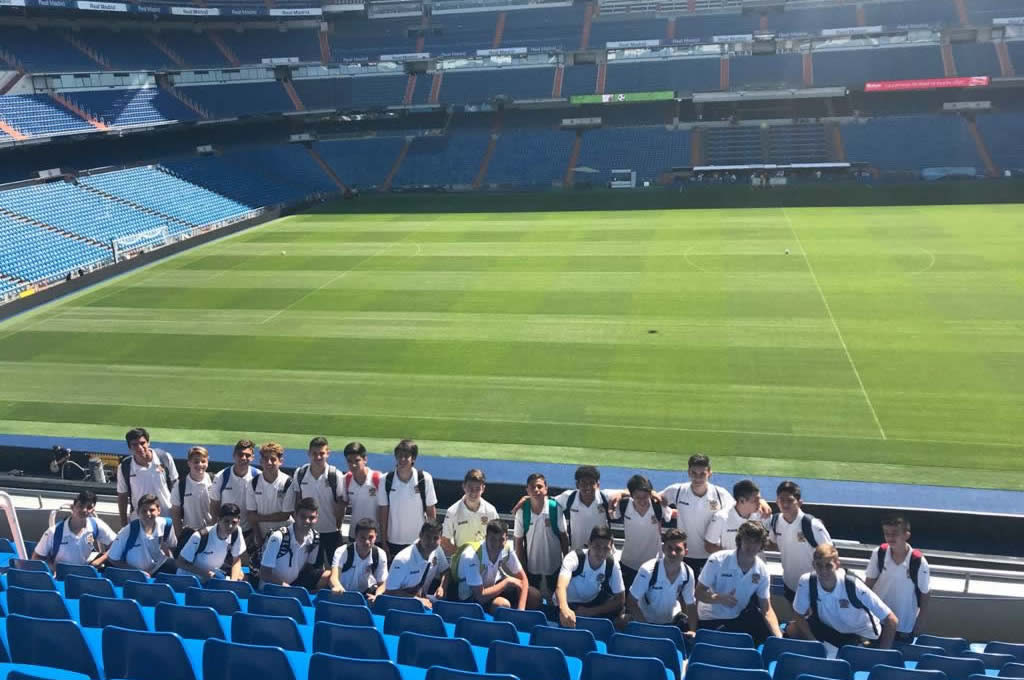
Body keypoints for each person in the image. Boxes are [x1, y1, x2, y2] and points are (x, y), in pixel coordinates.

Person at [787, 544, 898, 649]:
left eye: (828, 566)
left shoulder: (853, 585)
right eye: (819, 565)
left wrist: (883, 654)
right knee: (793, 629)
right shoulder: (806, 582)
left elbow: (891, 620)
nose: (823, 571)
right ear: (813, 565)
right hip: (831, 629)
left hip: (860, 635)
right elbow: (799, 615)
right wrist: (813, 642)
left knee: (847, 657)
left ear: (837, 565)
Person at [695, 520, 782, 645]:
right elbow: (698, 593)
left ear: (762, 545)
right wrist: (719, 598)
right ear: (740, 540)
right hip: (711, 618)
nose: (751, 546)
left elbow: (766, 609)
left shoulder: (761, 570)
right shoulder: (717, 560)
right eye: (747, 540)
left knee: (769, 640)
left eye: (756, 542)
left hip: (738, 616)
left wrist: (778, 636)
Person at [660, 454, 734, 577]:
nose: (698, 478)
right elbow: (653, 498)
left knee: (706, 593)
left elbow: (737, 511)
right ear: (688, 472)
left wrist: (761, 502)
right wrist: (668, 512)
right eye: (694, 473)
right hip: (683, 555)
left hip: (711, 556)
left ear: (710, 473)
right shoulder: (678, 491)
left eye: (702, 474)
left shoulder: (720, 494)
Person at [865, 516, 930, 642]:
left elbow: (925, 594)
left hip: (903, 624)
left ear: (906, 535)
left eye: (894, 534)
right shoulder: (879, 553)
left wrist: (920, 621)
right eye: (887, 534)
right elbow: (868, 584)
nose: (890, 537)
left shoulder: (918, 561)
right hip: (877, 619)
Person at [451, 519, 539, 611]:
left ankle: (518, 617)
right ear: (486, 538)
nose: (497, 544)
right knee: (502, 605)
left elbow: (523, 579)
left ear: (506, 539)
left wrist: (521, 609)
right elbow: (480, 597)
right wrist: (506, 582)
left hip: (492, 586)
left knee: (534, 596)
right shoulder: (471, 556)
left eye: (501, 539)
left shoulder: (506, 549)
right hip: (471, 597)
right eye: (492, 539)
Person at [768, 480, 832, 602]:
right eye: (782, 500)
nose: (785, 504)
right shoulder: (775, 521)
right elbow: (773, 544)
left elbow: (830, 553)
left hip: (813, 586)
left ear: (799, 502)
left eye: (790, 500)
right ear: (777, 501)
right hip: (789, 584)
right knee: (796, 617)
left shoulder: (811, 524)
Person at [625, 529, 698, 634]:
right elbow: (631, 602)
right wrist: (646, 628)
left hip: (671, 623)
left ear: (685, 552)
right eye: (669, 548)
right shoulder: (647, 570)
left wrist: (692, 630)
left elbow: (690, 605)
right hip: (645, 622)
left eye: (678, 549)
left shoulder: (688, 573)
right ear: (663, 548)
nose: (673, 553)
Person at [378, 439, 438, 559]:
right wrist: (384, 542)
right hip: (393, 541)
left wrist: (432, 538)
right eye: (399, 456)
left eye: (406, 456)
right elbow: (383, 513)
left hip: (418, 541)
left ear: (413, 458)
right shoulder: (385, 480)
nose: (402, 460)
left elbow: (431, 510)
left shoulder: (424, 479)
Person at [555, 526, 626, 628]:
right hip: (567, 602)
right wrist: (564, 609)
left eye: (606, 548)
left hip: (591, 603)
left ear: (611, 548)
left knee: (622, 613)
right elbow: (561, 586)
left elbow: (620, 599)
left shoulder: (612, 564)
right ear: (589, 544)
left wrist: (590, 612)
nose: (601, 553)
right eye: (597, 546)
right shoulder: (574, 558)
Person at [513, 473, 568, 596]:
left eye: (539, 486)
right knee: (533, 599)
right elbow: (518, 543)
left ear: (546, 488)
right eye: (532, 487)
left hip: (554, 566)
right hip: (532, 567)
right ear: (527, 490)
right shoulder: (522, 511)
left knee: (555, 598)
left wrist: (566, 563)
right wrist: (522, 569)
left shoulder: (555, 508)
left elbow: (564, 537)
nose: (536, 490)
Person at [32, 490, 116, 570]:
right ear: (73, 507)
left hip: (85, 573)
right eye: (81, 505)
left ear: (93, 510)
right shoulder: (53, 532)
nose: (84, 510)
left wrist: (99, 560)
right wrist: (52, 569)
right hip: (60, 577)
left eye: (89, 507)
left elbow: (117, 544)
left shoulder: (96, 525)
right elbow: (36, 557)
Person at [294, 436, 344, 570]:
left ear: (328, 453)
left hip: (331, 531)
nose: (318, 457)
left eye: (321, 453)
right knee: (312, 569)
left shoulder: (335, 475)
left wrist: (337, 525)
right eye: (314, 453)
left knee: (337, 568)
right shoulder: (300, 473)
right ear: (309, 453)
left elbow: (340, 503)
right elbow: (298, 501)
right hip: (308, 531)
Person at [258, 497, 330, 590]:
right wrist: (287, 588)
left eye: (311, 518)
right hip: (271, 587)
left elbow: (308, 567)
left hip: (294, 584)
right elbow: (264, 573)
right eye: (303, 516)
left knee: (328, 575)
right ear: (295, 515)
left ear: (317, 518)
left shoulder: (315, 538)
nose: (307, 521)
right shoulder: (278, 537)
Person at [614, 474, 671, 591]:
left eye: (645, 496)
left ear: (650, 494)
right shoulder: (623, 505)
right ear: (631, 495)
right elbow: (609, 497)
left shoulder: (658, 506)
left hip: (653, 562)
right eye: (637, 497)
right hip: (628, 561)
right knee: (627, 598)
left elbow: (671, 514)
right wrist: (620, 493)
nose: (642, 500)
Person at [117, 427, 178, 525]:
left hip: (166, 517)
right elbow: (122, 496)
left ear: (148, 443)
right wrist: (124, 522)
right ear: (129, 447)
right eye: (135, 445)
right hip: (139, 519)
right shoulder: (125, 467)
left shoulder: (164, 458)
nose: (139, 448)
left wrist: (177, 516)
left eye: (142, 443)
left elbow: (176, 486)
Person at [106, 493, 178, 576]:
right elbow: (113, 559)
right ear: (138, 512)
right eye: (144, 511)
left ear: (159, 510)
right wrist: (137, 573)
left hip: (158, 567)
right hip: (134, 573)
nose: (148, 514)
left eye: (151, 510)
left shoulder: (166, 524)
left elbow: (173, 547)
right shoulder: (128, 531)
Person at [385, 519, 449, 609]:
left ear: (440, 539)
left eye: (435, 538)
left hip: (424, 602)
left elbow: (445, 570)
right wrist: (417, 600)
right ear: (420, 535)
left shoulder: (437, 550)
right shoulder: (402, 559)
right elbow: (390, 592)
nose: (431, 542)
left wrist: (442, 587)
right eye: (428, 537)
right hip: (400, 607)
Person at [175, 503, 246, 583]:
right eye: (226, 521)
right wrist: (204, 573)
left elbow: (236, 560)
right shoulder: (199, 536)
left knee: (240, 575)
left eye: (234, 522)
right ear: (218, 520)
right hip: (187, 580)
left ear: (238, 522)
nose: (230, 526)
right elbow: (180, 562)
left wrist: (233, 582)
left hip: (210, 580)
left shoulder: (236, 532)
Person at [246, 442, 296, 551]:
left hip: (285, 536)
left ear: (280, 461)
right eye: (265, 459)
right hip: (262, 535)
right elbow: (251, 514)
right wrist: (258, 536)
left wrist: (260, 518)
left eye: (273, 459)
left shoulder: (288, 482)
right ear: (260, 461)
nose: (269, 462)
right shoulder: (253, 483)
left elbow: (285, 515)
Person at [210, 439, 259, 545]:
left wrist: (255, 533)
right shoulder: (221, 477)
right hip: (225, 531)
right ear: (234, 455)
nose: (243, 458)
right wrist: (216, 533)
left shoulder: (258, 477)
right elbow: (214, 507)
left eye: (247, 455)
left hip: (249, 533)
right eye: (240, 454)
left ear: (252, 457)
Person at [329, 518, 388, 604]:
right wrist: (337, 587)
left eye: (371, 537)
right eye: (362, 537)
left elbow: (383, 583)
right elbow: (334, 577)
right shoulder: (342, 551)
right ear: (356, 537)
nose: (367, 542)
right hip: (343, 594)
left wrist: (377, 595)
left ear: (376, 536)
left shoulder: (380, 554)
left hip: (365, 596)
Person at [441, 468, 499, 556]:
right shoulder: (452, 512)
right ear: (464, 486)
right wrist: (462, 557)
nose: (473, 492)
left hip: (484, 562)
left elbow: (498, 536)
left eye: (477, 488)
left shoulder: (491, 511)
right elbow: (445, 541)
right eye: (470, 488)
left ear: (483, 488)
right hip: (461, 563)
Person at [705, 479, 769, 555]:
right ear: (742, 500)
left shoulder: (763, 514)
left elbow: (770, 541)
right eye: (755, 500)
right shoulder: (721, 517)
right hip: (730, 565)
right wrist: (734, 557)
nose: (759, 503)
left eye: (760, 499)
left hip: (756, 564)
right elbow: (709, 545)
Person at [338, 442, 382, 542]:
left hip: (375, 536)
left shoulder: (378, 479)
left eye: (357, 461)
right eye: (349, 461)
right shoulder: (346, 480)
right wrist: (338, 528)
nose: (353, 465)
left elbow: (386, 509)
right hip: (355, 535)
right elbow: (342, 506)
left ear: (365, 459)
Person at [171, 446, 213, 546]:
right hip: (189, 535)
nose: (200, 465)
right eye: (196, 461)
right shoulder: (180, 485)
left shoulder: (215, 480)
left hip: (212, 533)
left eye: (203, 461)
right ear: (189, 463)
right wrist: (179, 536)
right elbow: (175, 512)